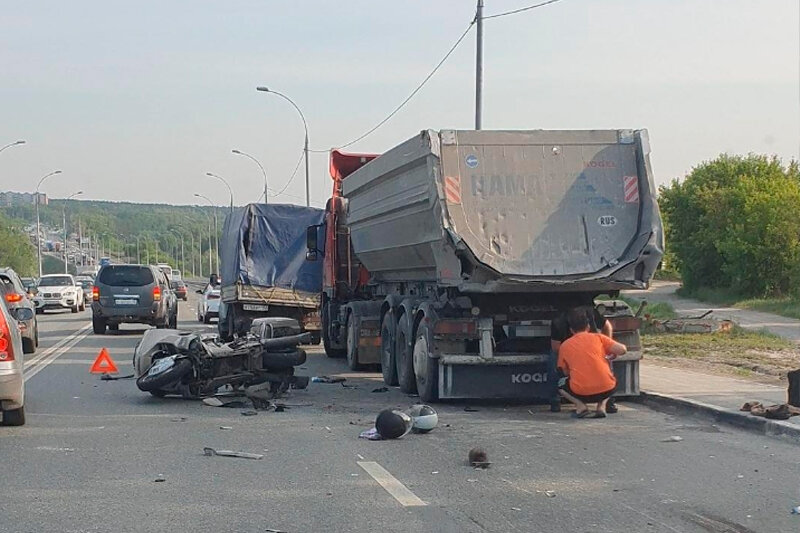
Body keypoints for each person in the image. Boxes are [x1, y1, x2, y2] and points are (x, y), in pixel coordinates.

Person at [556, 308, 627, 418]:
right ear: (588, 327)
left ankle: (581, 407)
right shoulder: (599, 338)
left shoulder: (565, 345)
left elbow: (563, 371)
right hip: (606, 390)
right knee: (611, 379)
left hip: (581, 393)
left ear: (571, 330)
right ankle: (601, 407)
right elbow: (622, 350)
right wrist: (609, 353)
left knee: (560, 385)